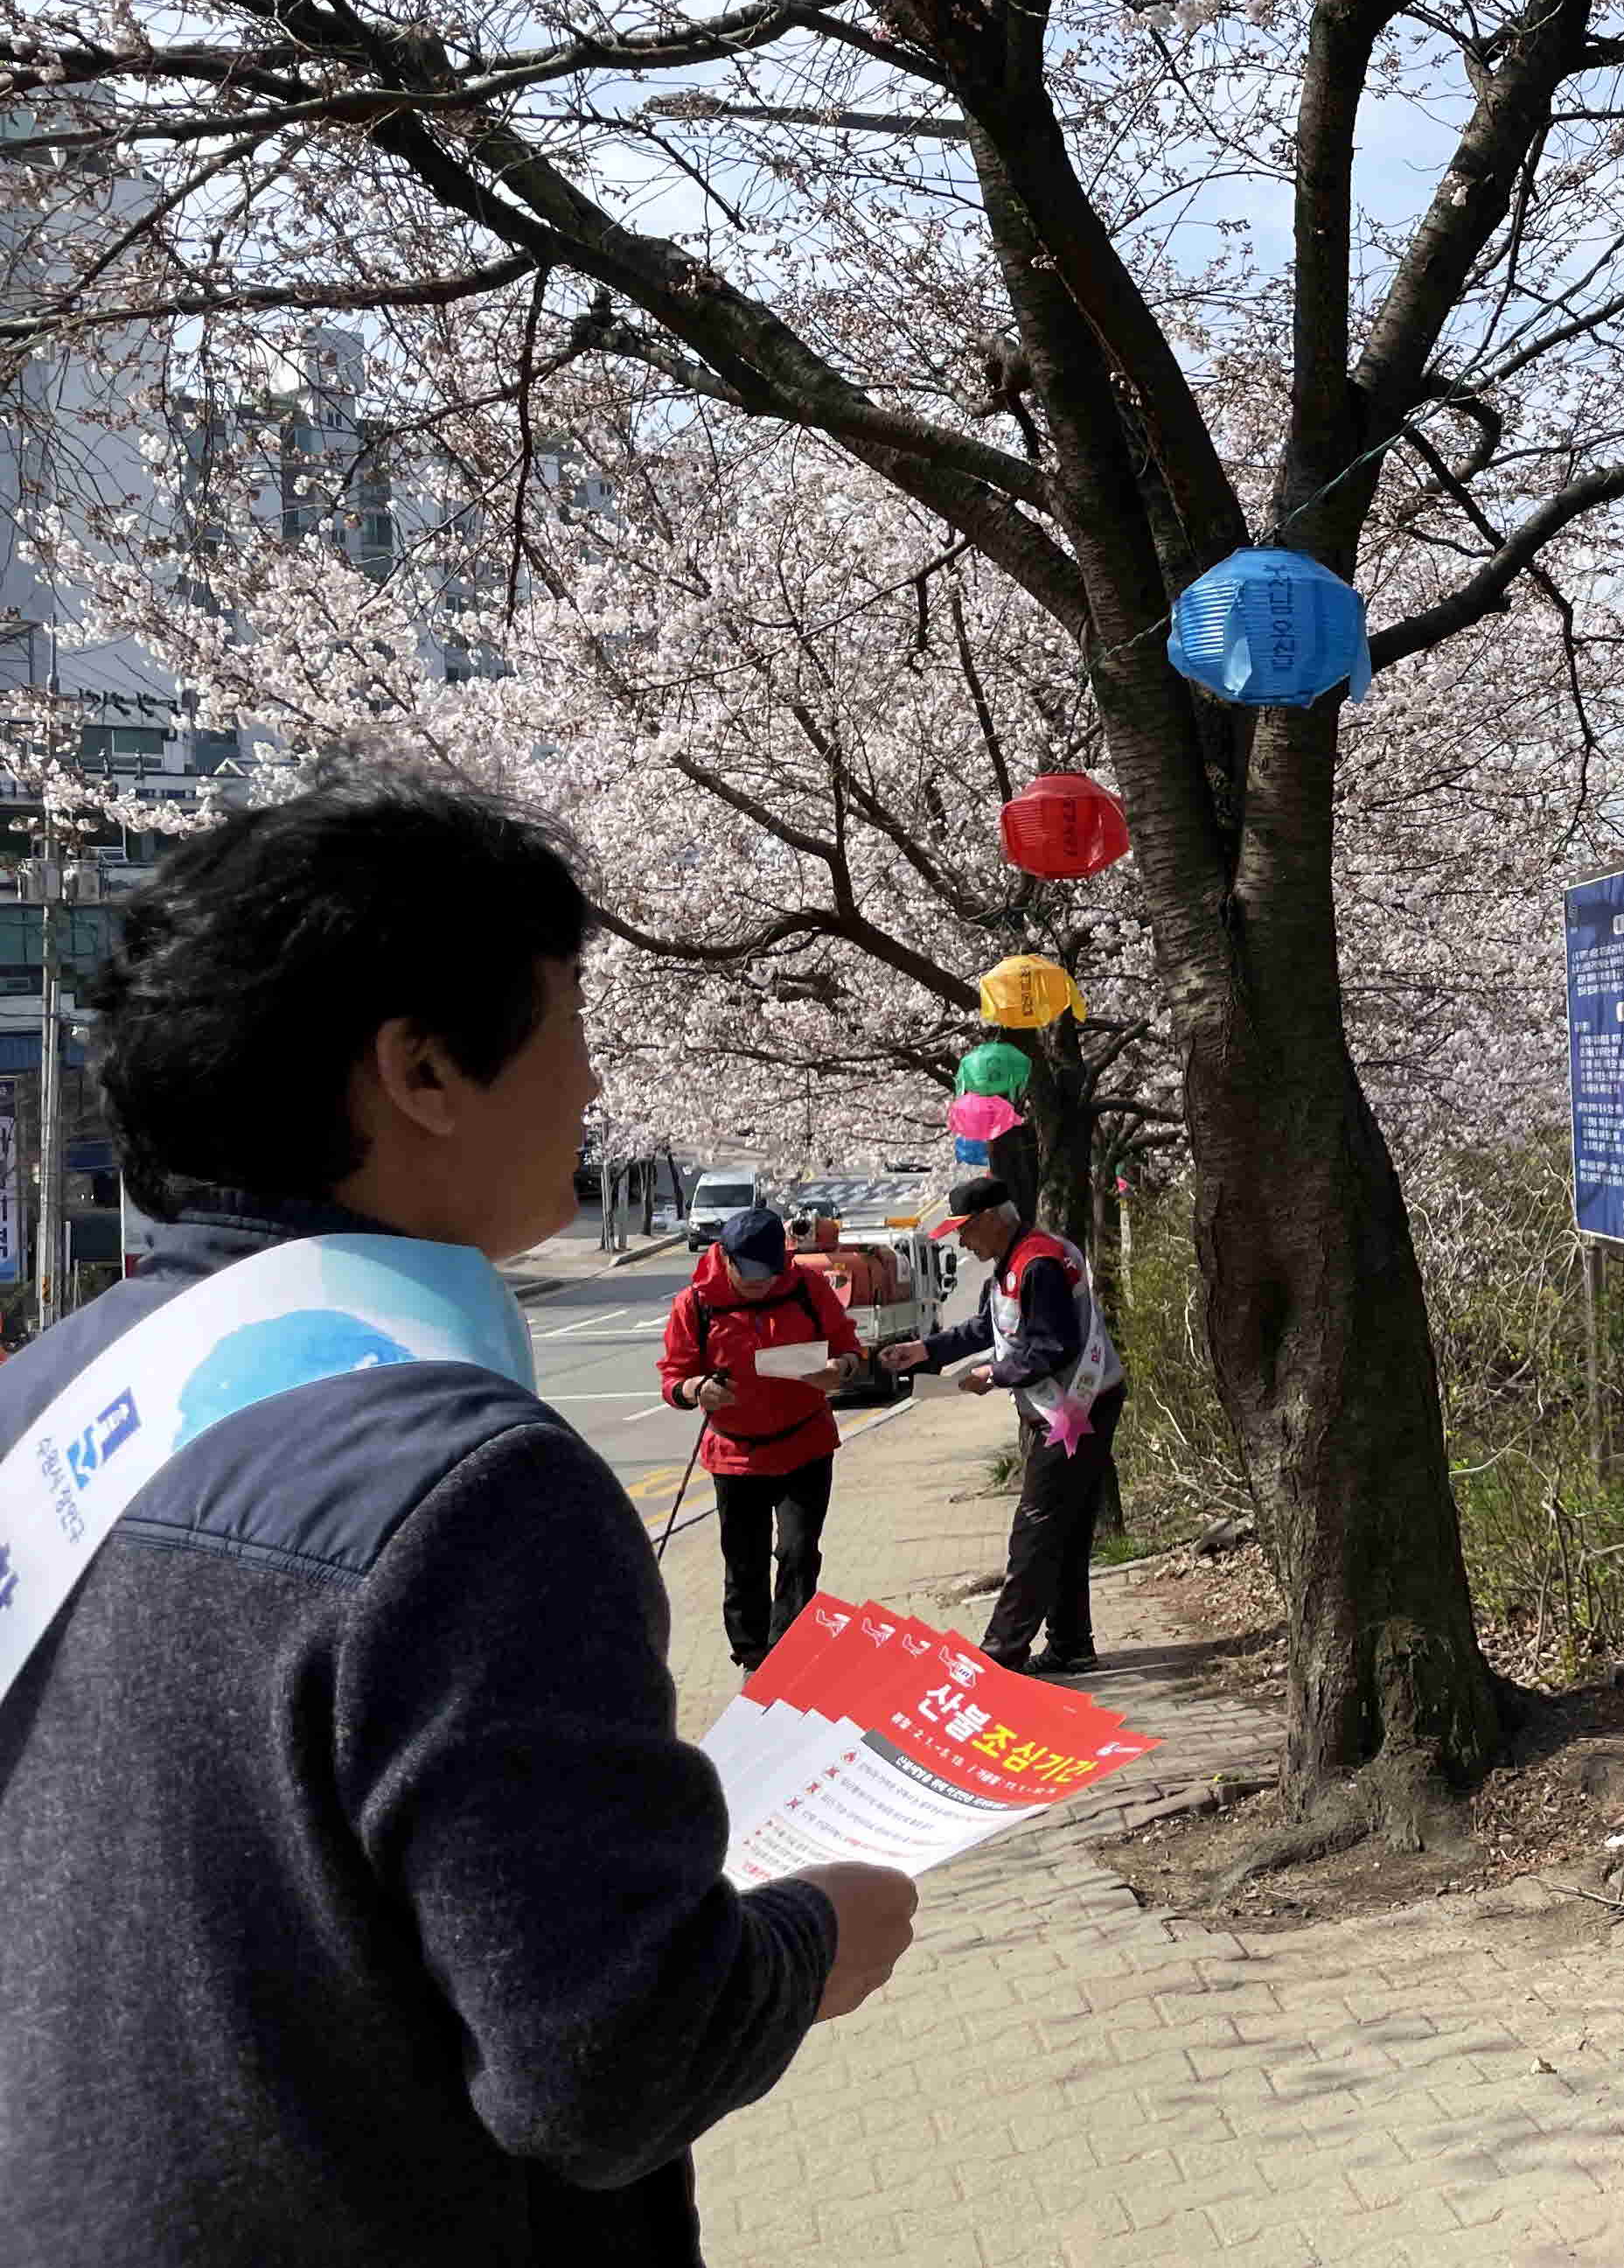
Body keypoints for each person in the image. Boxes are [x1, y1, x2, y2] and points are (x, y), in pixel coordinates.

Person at [0, 767, 918, 2265]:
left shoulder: (37, 1396)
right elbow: (603, 2064)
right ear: (423, 1070)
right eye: (571, 1023)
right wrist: (811, 1940)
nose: (594, 1087)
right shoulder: (473, 1489)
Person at [880, 1174, 1125, 1674]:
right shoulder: (1013, 1262)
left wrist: (993, 1373)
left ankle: (1002, 1654)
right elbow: (987, 1329)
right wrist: (925, 1351)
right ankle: (1071, 1644)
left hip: (1075, 1410)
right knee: (1067, 1530)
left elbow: (1051, 1345)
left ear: (991, 1219)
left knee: (1035, 1531)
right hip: (1064, 1409)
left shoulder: (1038, 1264)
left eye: (965, 1231)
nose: (963, 1243)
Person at [659, 1204, 867, 1669]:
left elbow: (848, 1346)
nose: (761, 1282)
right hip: (735, 1453)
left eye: (770, 1271)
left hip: (805, 1443)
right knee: (743, 1559)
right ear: (725, 1257)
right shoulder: (696, 1303)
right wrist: (697, 1390)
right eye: (749, 1271)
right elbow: (673, 1378)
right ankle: (752, 1655)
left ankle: (789, 1653)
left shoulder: (809, 1288)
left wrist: (841, 1369)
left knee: (797, 1551)